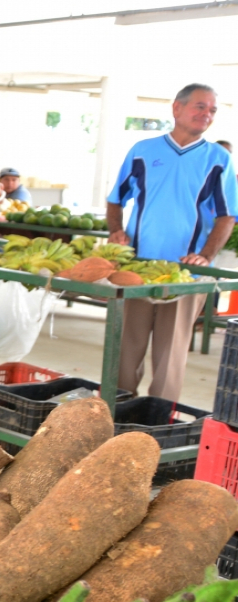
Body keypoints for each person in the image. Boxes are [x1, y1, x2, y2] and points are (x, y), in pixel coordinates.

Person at [108, 83, 236, 402]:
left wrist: (205, 255)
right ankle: (118, 411)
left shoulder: (218, 159)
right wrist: (116, 230)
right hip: (137, 268)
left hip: (185, 274)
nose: (206, 114)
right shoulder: (142, 151)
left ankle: (158, 417)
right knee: (125, 348)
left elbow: (227, 216)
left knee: (171, 355)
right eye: (200, 106)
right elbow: (115, 199)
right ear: (177, 108)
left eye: (212, 110)